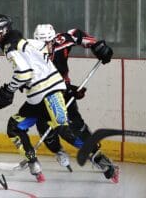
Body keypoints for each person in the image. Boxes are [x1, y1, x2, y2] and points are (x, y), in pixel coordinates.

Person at [0, 14, 82, 183]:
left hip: (48, 92)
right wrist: (28, 79)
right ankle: (35, 164)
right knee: (15, 126)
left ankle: (96, 156)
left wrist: (9, 89)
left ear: (4, 31)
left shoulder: (11, 46)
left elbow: (24, 72)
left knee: (63, 129)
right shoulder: (21, 41)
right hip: (38, 95)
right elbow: (41, 51)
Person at [32, 24, 119, 183]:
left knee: (74, 127)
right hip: (43, 93)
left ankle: (98, 157)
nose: (45, 48)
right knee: (44, 125)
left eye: (48, 43)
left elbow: (76, 34)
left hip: (63, 90)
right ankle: (59, 151)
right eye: (41, 44)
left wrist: (95, 45)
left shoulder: (62, 41)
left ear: (54, 40)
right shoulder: (31, 52)